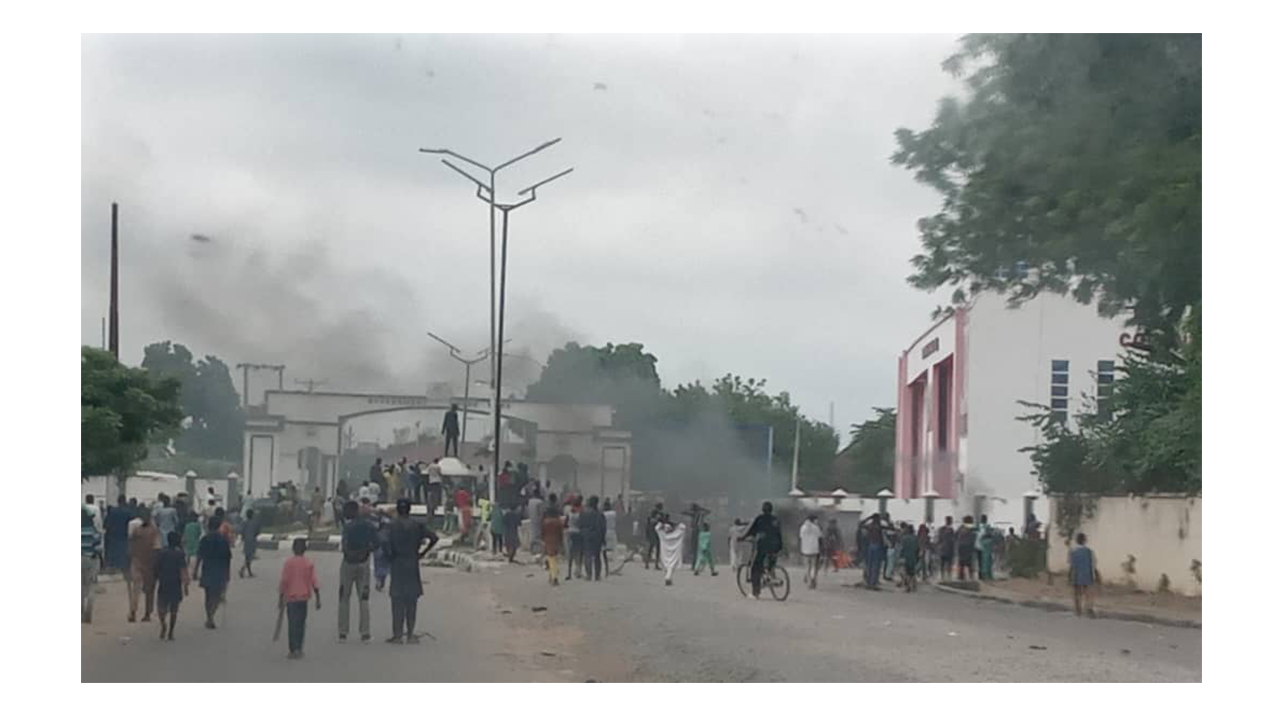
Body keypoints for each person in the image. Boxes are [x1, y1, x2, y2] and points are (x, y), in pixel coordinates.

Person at [386, 499, 439, 643]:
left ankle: (397, 635)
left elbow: (384, 543)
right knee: (411, 600)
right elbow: (434, 538)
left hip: (397, 563)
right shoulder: (417, 525)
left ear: (397, 510)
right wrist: (422, 553)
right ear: (409, 510)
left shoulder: (391, 526)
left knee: (397, 600)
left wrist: (389, 556)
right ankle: (410, 634)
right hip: (412, 563)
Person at [338, 501, 376, 643]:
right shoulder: (368, 526)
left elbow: (344, 546)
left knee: (344, 598)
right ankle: (365, 633)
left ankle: (343, 632)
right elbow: (376, 543)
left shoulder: (347, 527)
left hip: (348, 564)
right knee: (364, 599)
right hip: (364, 564)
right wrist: (366, 551)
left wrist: (350, 554)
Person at [279, 538, 321, 659]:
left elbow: (284, 581)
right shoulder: (308, 563)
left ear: (293, 549)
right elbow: (314, 581)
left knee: (292, 624)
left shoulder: (288, 563)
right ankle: (299, 648)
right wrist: (318, 598)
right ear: (305, 549)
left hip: (291, 599)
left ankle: (293, 649)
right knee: (301, 624)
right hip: (303, 598)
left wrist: (281, 597)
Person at [193, 516, 232, 629]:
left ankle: (209, 617)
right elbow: (227, 558)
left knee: (208, 595)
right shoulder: (223, 540)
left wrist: (195, 570)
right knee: (216, 595)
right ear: (219, 526)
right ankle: (211, 616)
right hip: (220, 570)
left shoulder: (205, 539)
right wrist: (227, 574)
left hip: (208, 569)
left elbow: (199, 556)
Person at [126, 507, 160, 622]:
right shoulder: (154, 532)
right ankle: (147, 613)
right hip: (149, 564)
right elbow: (156, 549)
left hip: (136, 562)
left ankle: (133, 612)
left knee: (136, 589)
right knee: (149, 590)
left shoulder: (137, 531)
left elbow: (130, 547)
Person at [154, 531, 190, 641]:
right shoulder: (180, 554)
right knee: (174, 610)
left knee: (161, 608)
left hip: (164, 583)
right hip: (175, 584)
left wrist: (154, 581)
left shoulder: (161, 553)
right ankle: (171, 632)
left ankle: (163, 625)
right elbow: (183, 570)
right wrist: (186, 585)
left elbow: (156, 569)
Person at [744, 502, 783, 598]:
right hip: (776, 545)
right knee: (770, 563)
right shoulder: (775, 520)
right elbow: (778, 533)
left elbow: (751, 531)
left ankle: (755, 593)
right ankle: (770, 577)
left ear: (763, 509)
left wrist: (742, 538)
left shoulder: (760, 519)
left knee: (755, 568)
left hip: (764, 546)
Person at [1069, 532, 1099, 617]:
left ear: (1076, 541)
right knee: (1088, 593)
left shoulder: (1073, 552)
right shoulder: (1089, 552)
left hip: (1077, 575)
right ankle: (1089, 608)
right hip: (1087, 575)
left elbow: (1072, 565)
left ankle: (1078, 610)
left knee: (1077, 593)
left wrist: (1070, 576)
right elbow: (1094, 563)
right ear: (1085, 541)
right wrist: (1095, 574)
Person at [654, 517, 688, 586]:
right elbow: (683, 526)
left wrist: (662, 523)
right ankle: (668, 578)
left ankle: (668, 577)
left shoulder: (662, 535)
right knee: (671, 567)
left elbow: (657, 527)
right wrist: (675, 524)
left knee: (667, 567)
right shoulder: (677, 534)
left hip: (665, 554)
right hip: (674, 554)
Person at [580, 496, 606, 581]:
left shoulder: (584, 513)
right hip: (597, 537)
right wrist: (603, 539)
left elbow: (580, 525)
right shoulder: (600, 514)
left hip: (587, 536)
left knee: (587, 556)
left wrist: (583, 534)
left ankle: (589, 575)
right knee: (597, 556)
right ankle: (597, 576)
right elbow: (603, 528)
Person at [104, 495, 132, 574]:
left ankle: (112, 568)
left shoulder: (112, 511)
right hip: (124, 535)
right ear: (124, 501)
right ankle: (122, 569)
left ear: (118, 501)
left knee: (113, 552)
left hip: (113, 535)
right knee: (122, 552)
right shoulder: (128, 512)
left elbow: (107, 524)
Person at [858, 513, 886, 589]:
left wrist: (869, 518)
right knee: (875, 566)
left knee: (870, 565)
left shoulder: (870, 526)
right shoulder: (879, 526)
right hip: (877, 546)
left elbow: (860, 524)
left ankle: (869, 582)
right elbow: (891, 528)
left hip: (871, 546)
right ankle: (873, 583)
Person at [542, 506, 565, 586]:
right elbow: (561, 533)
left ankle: (554, 577)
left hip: (548, 541)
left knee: (551, 559)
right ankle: (552, 576)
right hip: (556, 541)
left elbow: (542, 533)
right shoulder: (558, 521)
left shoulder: (545, 522)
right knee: (553, 559)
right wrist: (562, 544)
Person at [799, 514, 822, 589]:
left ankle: (809, 582)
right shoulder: (816, 528)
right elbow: (820, 537)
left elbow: (801, 537)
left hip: (805, 550)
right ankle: (812, 578)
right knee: (813, 566)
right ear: (813, 520)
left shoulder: (802, 528)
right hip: (814, 549)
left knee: (807, 567)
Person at [373, 505, 391, 592]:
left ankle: (379, 581)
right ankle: (381, 581)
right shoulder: (390, 521)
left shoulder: (377, 521)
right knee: (386, 564)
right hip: (387, 544)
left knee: (378, 564)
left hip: (379, 544)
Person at [239, 509, 261, 579]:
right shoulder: (255, 523)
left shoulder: (244, 523)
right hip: (252, 541)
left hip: (246, 541)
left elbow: (242, 532)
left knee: (247, 557)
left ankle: (249, 572)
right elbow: (257, 532)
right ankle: (243, 569)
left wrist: (243, 538)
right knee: (250, 558)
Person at [564, 500, 584, 579]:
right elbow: (582, 524)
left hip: (570, 534)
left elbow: (565, 525)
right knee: (578, 553)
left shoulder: (569, 514)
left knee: (570, 554)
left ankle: (569, 573)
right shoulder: (580, 515)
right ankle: (578, 571)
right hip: (578, 533)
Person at [899, 522, 920, 592]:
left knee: (905, 572)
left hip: (906, 557)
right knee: (912, 573)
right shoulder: (915, 538)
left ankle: (908, 586)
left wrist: (900, 557)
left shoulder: (904, 538)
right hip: (913, 558)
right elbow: (917, 549)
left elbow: (902, 548)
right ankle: (914, 586)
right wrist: (917, 558)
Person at [956, 515, 977, 581]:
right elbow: (974, 537)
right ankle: (971, 577)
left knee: (961, 562)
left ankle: (961, 576)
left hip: (961, 547)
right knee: (969, 563)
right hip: (968, 547)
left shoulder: (960, 528)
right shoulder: (973, 528)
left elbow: (956, 536)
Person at [644, 503, 664, 570]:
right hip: (653, 531)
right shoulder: (654, 513)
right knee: (653, 547)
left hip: (655, 531)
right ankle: (650, 563)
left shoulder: (659, 514)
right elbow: (651, 521)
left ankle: (652, 564)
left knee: (654, 547)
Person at [602, 498, 618, 576]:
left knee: (604, 551)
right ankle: (613, 567)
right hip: (612, 532)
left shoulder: (602, 514)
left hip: (604, 532)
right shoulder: (613, 513)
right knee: (614, 550)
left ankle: (606, 568)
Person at [937, 516, 956, 580]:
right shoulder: (951, 530)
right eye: (951, 521)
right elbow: (953, 541)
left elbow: (939, 540)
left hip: (943, 549)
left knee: (943, 564)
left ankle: (943, 577)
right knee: (948, 564)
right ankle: (948, 577)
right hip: (948, 550)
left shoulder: (942, 529)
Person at [977, 515, 995, 580]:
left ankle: (985, 575)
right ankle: (985, 575)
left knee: (985, 561)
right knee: (985, 561)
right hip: (982, 546)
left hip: (983, 546)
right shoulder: (982, 527)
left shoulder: (984, 527)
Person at [527, 488, 545, 555]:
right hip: (538, 521)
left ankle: (531, 550)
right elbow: (541, 512)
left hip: (531, 519)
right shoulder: (539, 502)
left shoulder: (529, 501)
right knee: (538, 537)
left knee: (532, 536)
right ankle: (540, 551)